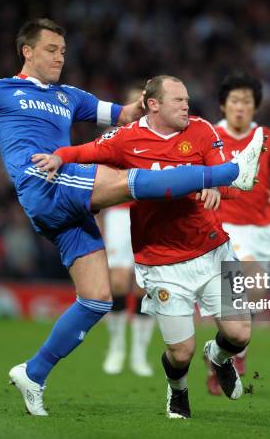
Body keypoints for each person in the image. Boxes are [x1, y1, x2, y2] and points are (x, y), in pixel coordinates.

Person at [0, 21, 263, 415]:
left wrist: (156, 99)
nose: (60, 57)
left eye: (64, 51)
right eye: (52, 50)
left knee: (97, 298)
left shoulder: (70, 96)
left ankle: (33, 374)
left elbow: (125, 114)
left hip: (68, 202)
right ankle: (233, 173)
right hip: (45, 180)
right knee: (131, 182)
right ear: (28, 51)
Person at [33, 75, 262, 419]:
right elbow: (88, 151)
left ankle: (218, 356)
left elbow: (230, 179)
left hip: (214, 249)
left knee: (239, 334)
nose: (187, 106)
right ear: (153, 104)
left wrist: (217, 188)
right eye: (178, 101)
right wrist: (59, 157)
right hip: (162, 261)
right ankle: (178, 391)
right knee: (181, 352)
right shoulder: (127, 139)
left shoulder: (202, 130)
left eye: (187, 100)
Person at [204, 72, 270, 395]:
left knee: (250, 298)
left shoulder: (268, 139)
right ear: (223, 104)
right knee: (254, 285)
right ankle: (233, 355)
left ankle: (221, 354)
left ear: (255, 107)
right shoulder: (210, 136)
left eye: (247, 101)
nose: (240, 107)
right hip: (223, 228)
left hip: (260, 231)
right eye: (235, 101)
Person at [101, 87, 155, 378]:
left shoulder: (162, 138)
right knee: (119, 283)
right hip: (119, 214)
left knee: (145, 287)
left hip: (151, 215)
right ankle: (117, 347)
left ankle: (139, 354)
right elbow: (97, 181)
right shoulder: (113, 137)